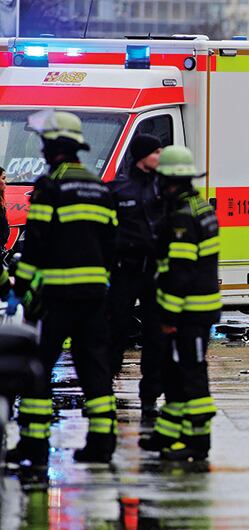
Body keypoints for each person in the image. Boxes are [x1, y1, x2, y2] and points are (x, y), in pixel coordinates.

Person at [7, 111, 118, 467]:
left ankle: (34, 446)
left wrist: (24, 288)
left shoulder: (49, 187)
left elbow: (35, 246)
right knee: (95, 370)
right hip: (94, 298)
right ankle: (102, 443)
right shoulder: (98, 187)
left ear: (53, 146)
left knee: (38, 368)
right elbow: (111, 245)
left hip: (56, 299)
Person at [138, 145, 220, 462]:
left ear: (171, 182)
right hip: (194, 309)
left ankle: (199, 442)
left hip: (189, 312)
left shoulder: (183, 218)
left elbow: (180, 272)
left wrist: (169, 314)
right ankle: (169, 434)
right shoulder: (201, 209)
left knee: (190, 372)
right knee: (172, 371)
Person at [108, 134, 165, 420]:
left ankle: (149, 397)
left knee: (154, 336)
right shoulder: (118, 189)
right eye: (156, 151)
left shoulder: (162, 188)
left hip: (154, 273)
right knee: (116, 330)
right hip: (124, 271)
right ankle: (105, 388)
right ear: (143, 155)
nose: (161, 155)